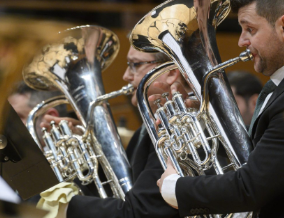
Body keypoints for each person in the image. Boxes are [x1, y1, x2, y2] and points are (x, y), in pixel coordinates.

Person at [157, 0, 284, 217]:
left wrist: (176, 187)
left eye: (250, 29)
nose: (241, 41)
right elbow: (263, 169)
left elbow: (249, 188)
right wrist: (203, 127)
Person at [38, 46, 190, 218]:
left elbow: (141, 210)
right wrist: (89, 153)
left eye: (135, 64)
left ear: (170, 73)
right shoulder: (146, 131)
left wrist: (65, 205)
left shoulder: (184, 127)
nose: (126, 76)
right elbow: (121, 193)